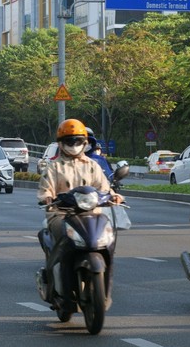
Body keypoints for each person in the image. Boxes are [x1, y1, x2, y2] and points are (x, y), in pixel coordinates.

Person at [37, 119, 123, 308]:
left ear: (85, 143)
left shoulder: (93, 165)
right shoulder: (54, 167)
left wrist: (114, 196)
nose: (74, 146)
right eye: (69, 142)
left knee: (107, 241)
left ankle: (104, 293)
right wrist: (47, 198)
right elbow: (45, 189)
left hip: (92, 214)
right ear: (61, 143)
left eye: (77, 141)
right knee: (66, 244)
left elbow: (105, 188)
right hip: (61, 215)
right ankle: (62, 290)